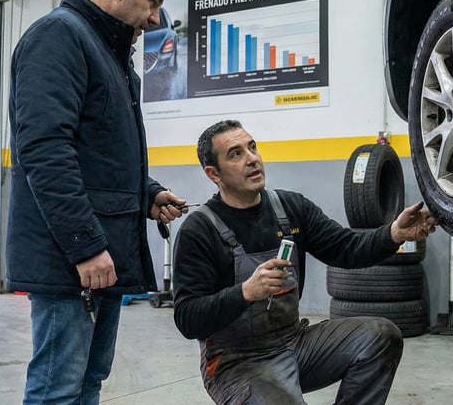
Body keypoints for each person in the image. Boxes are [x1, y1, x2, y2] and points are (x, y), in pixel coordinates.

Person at [172, 120, 438, 404]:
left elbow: (347, 248)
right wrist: (245, 292)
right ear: (214, 174)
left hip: (294, 343)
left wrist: (394, 233)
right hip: (237, 362)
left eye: (252, 147)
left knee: (380, 335)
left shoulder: (290, 208)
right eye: (235, 154)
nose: (251, 159)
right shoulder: (200, 230)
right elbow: (188, 318)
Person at [6, 0, 180, 403]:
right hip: (70, 260)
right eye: (152, 1)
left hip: (100, 258)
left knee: (89, 380)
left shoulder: (110, 53)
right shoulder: (59, 38)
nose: (155, 17)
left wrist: (148, 194)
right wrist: (85, 246)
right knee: (58, 388)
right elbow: (45, 150)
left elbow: (101, 160)